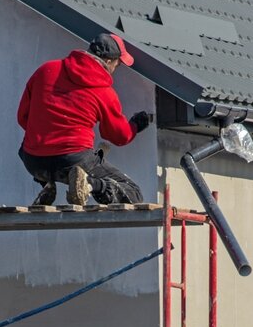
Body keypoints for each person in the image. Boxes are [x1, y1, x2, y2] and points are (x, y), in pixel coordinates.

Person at [16, 33, 152, 206]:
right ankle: (89, 185)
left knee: (27, 145)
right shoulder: (104, 91)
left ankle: (47, 184)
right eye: (117, 65)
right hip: (73, 160)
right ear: (108, 62)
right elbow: (118, 136)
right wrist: (135, 125)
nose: (115, 70)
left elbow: (23, 118)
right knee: (133, 192)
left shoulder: (45, 70)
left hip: (34, 162)